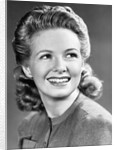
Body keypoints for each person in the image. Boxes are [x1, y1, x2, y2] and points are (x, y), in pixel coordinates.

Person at [12, 5, 112, 149]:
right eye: (46, 56)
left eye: (70, 55)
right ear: (27, 69)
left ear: (82, 63)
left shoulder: (98, 127)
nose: (60, 67)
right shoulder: (29, 125)